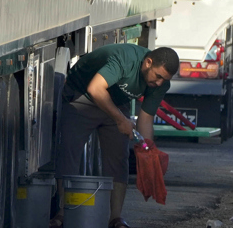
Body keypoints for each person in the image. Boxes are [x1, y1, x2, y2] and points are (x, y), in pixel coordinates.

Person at [53, 45, 179, 228]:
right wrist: (121, 119)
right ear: (148, 62)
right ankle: (63, 213)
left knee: (118, 158)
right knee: (69, 152)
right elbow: (95, 88)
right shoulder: (125, 60)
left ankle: (115, 218)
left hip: (116, 103)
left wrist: (147, 151)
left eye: (164, 79)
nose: (159, 83)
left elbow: (146, 117)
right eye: (158, 76)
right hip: (83, 97)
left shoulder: (160, 83)